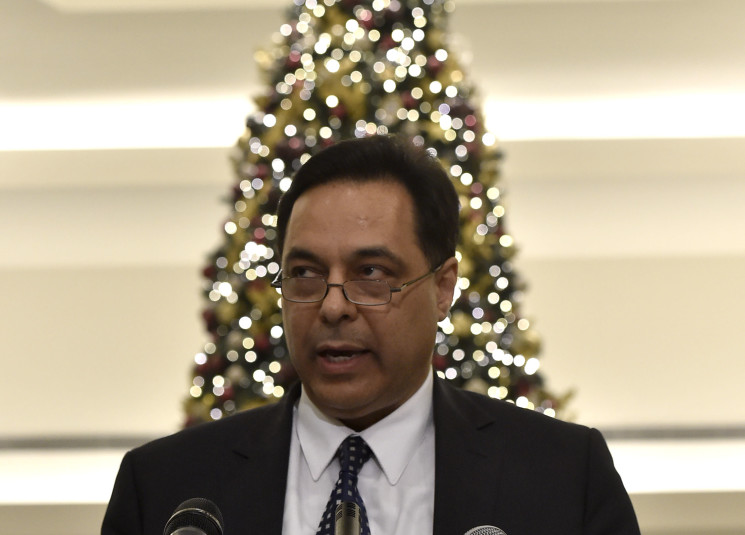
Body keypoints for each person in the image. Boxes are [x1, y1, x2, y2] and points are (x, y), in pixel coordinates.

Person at [102, 135, 640, 535]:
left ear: (443, 287)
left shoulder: (562, 477)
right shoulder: (166, 486)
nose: (333, 306)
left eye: (371, 274)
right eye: (305, 273)